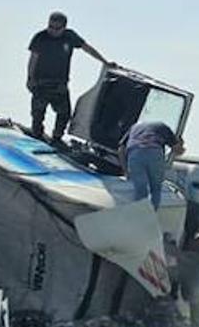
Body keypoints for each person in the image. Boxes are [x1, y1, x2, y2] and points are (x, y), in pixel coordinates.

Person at [26, 11, 111, 141]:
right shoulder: (40, 37)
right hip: (41, 82)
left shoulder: (69, 36)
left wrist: (105, 61)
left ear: (64, 27)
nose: (53, 31)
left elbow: (87, 48)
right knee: (38, 113)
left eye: (56, 28)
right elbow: (33, 59)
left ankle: (57, 137)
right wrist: (30, 78)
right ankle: (37, 135)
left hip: (60, 83)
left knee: (64, 113)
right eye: (50, 27)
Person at [117, 121, 185, 209]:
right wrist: (181, 144)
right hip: (154, 152)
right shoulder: (162, 127)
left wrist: (126, 170)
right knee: (155, 189)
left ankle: (138, 213)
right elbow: (178, 150)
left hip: (135, 153)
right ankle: (151, 214)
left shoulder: (134, 128)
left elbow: (121, 149)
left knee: (140, 188)